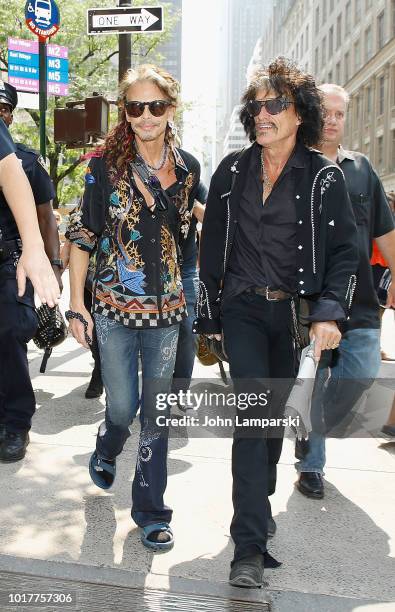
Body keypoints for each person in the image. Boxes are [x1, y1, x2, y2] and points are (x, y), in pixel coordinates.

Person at [194, 57, 359, 588]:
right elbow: (211, 246)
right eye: (257, 105)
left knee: (269, 428)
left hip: (290, 315)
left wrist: (329, 312)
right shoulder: (232, 171)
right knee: (251, 421)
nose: (263, 113)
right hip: (241, 307)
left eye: (276, 104)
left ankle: (258, 506)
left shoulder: (322, 176)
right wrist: (209, 316)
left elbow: (345, 253)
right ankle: (248, 548)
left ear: (300, 114)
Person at [67, 64, 200, 551]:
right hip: (113, 310)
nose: (146, 116)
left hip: (167, 315)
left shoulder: (188, 167)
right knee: (122, 408)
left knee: (157, 413)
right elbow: (83, 235)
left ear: (171, 108)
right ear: (125, 111)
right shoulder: (103, 166)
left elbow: (185, 237)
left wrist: (191, 294)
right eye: (135, 107)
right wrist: (76, 305)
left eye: (156, 106)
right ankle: (107, 443)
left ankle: (151, 511)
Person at [295, 83, 395, 500]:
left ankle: (308, 426)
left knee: (361, 376)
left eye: (340, 113)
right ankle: (311, 466)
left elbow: (384, 229)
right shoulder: (296, 166)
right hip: (315, 300)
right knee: (316, 382)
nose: (333, 120)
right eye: (326, 112)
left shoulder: (361, 168)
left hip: (363, 301)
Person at [0, 81, 60, 463]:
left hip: (11, 262)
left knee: (9, 333)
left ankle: (16, 423)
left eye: (4, 107)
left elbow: (46, 219)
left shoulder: (25, 161)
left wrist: (49, 264)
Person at [172, 180, 207, 404]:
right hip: (153, 272)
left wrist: (193, 204)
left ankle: (180, 391)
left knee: (189, 330)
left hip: (185, 270)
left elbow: (212, 220)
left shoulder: (193, 181)